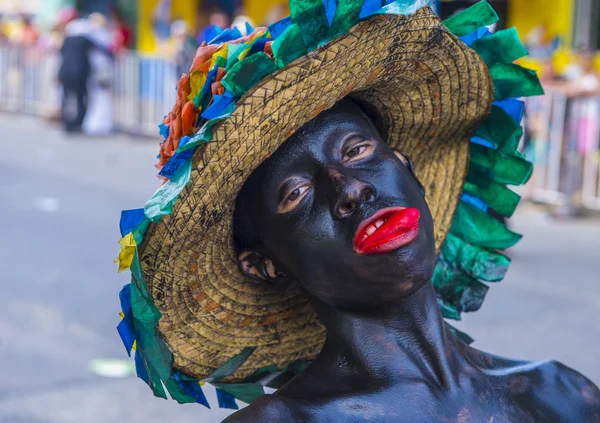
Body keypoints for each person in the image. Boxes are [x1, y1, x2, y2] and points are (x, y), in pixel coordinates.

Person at [115, 1, 600, 421]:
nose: (350, 190)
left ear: (407, 169)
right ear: (266, 265)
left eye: (356, 151)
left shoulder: (560, 396)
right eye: (296, 194)